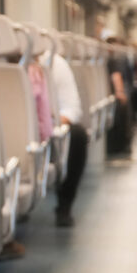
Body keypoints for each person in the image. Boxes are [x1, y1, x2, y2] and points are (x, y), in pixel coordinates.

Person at [42, 50, 89, 228]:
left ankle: (65, 204)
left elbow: (71, 110)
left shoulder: (54, 64)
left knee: (77, 135)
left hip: (47, 128)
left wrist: (44, 123)